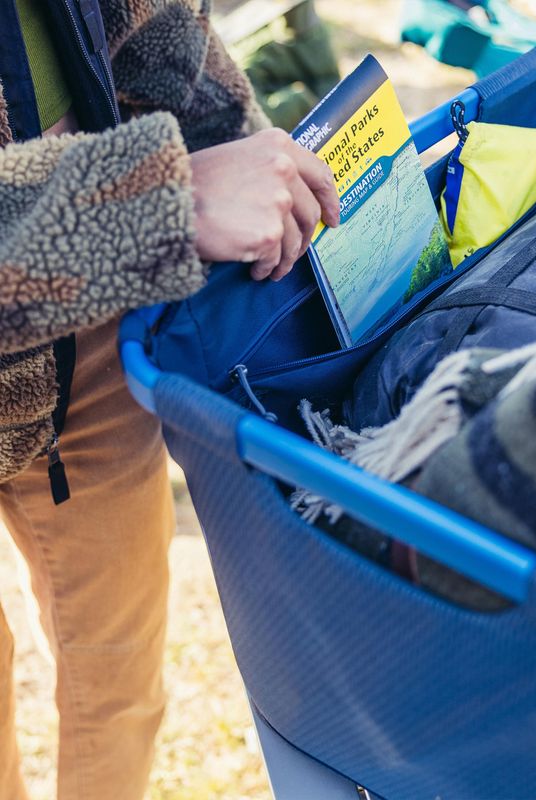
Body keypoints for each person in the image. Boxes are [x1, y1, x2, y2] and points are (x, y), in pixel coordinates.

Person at [0, 2, 339, 799]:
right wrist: (162, 202)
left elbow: (159, 36)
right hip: (113, 236)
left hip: (89, 337)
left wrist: (260, 173)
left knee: (117, 676)